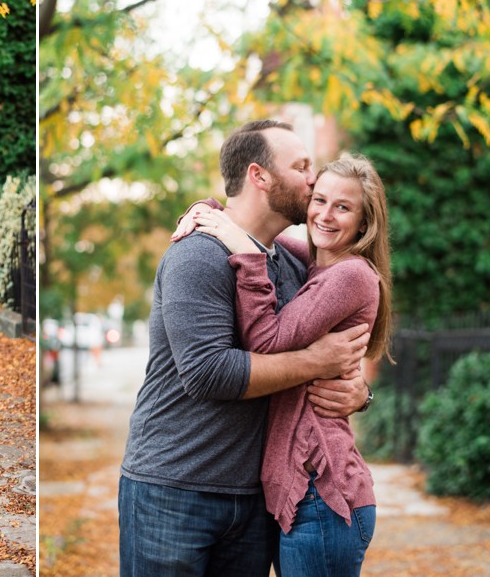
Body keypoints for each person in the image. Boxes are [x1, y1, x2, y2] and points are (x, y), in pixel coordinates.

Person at [118, 120, 372, 576]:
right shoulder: (197, 255)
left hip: (254, 501)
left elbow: (346, 298)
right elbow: (208, 373)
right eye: (301, 167)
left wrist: (361, 393)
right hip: (173, 490)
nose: (313, 179)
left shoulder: (291, 263)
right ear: (260, 176)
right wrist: (315, 361)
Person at [184, 153, 392, 576]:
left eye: (343, 207)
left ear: (365, 222)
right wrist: (202, 209)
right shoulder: (315, 263)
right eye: (320, 200)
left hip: (322, 492)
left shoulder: (350, 276)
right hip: (304, 498)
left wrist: (244, 252)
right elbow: (251, 229)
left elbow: (267, 340)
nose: (325, 215)